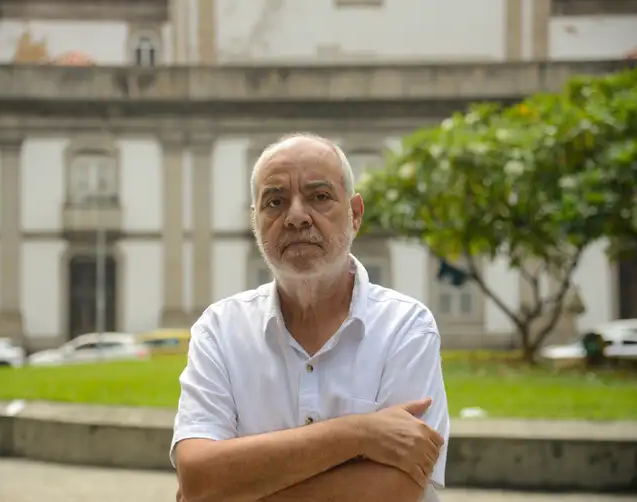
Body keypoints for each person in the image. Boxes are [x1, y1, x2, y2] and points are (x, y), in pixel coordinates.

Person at [172, 133, 449, 502]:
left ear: (355, 214)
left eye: (319, 197)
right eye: (275, 201)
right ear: (256, 220)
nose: (297, 216)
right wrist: (359, 433)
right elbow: (197, 477)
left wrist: (234, 489)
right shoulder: (219, 330)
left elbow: (395, 491)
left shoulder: (406, 327)